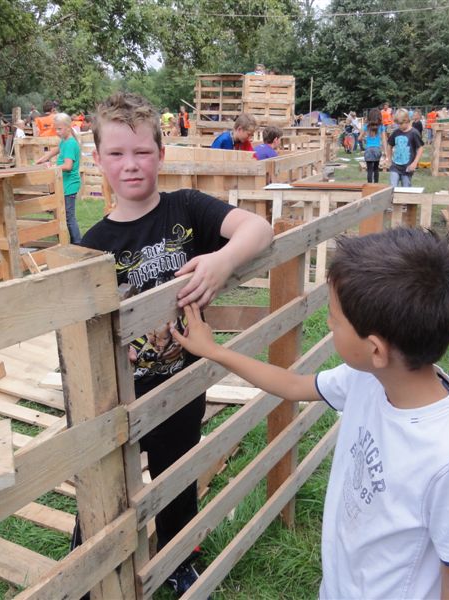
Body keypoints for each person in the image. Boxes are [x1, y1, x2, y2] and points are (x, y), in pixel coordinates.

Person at [172, 228, 449, 600]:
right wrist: (215, 351)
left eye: (334, 318)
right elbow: (295, 386)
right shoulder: (371, 379)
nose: (329, 324)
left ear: (375, 349)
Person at [77, 91, 273, 597]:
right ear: (97, 160)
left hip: (182, 381)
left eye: (142, 151)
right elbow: (79, 330)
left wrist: (221, 261)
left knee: (177, 472)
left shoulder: (185, 208)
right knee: (104, 482)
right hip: (118, 393)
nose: (131, 164)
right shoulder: (91, 246)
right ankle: (86, 558)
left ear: (161, 154)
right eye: (116, 154)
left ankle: (178, 557)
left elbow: (258, 227)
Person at [35, 113, 82, 244]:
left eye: (59, 129)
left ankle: (78, 243)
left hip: (70, 185)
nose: (57, 132)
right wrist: (43, 159)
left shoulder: (70, 144)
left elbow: (68, 166)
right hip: (65, 184)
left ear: (68, 127)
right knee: (65, 215)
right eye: (56, 129)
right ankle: (70, 241)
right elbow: (55, 150)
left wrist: (53, 168)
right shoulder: (64, 142)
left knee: (69, 217)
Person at [386, 108, 424, 188]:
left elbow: (420, 148)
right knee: (392, 187)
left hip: (408, 167)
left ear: (407, 120)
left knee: (406, 188)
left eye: (400, 124)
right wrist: (389, 159)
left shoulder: (414, 133)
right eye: (397, 124)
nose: (399, 126)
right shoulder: (396, 132)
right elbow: (389, 145)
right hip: (395, 166)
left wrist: (415, 163)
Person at [362, 108, 387, 184]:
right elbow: (383, 140)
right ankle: (376, 185)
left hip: (368, 149)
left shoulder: (366, 126)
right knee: (376, 169)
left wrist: (365, 139)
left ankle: (369, 185)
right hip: (377, 149)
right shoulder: (381, 126)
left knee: (369, 170)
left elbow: (359, 137)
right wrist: (385, 151)